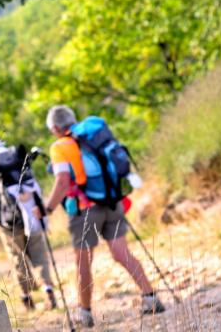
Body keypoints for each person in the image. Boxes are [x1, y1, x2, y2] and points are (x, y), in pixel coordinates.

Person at [43, 105, 165, 328]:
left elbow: (61, 182)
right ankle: (151, 297)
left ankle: (84, 313)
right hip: (113, 201)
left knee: (83, 261)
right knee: (121, 252)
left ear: (56, 128)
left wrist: (47, 209)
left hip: (86, 210)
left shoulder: (61, 146)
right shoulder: (92, 136)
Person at [0, 129, 57, 311]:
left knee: (17, 257)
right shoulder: (17, 157)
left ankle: (26, 298)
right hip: (32, 211)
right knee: (39, 254)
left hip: (8, 221)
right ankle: (48, 290)